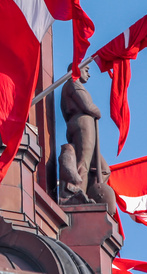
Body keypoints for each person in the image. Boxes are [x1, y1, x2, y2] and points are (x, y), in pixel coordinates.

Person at [59, 64, 111, 204]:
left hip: (83, 122)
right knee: (84, 162)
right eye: (86, 70)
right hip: (83, 121)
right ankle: (76, 193)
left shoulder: (71, 84)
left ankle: (88, 193)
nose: (89, 74)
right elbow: (87, 106)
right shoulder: (73, 83)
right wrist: (97, 111)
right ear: (77, 69)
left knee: (104, 169)